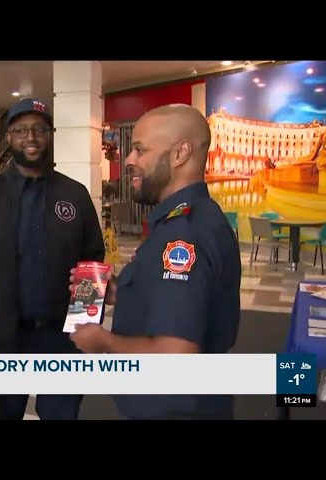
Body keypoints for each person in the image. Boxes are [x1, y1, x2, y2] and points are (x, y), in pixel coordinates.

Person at [69, 104, 242, 420]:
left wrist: (104, 342)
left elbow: (176, 354)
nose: (129, 160)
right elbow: (176, 297)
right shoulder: (186, 218)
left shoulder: (183, 235)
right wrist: (119, 293)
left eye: (139, 150)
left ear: (180, 154)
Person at [0, 97, 105, 420]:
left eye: (39, 129)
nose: (31, 138)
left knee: (62, 414)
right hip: (1, 338)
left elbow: (92, 260)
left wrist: (85, 326)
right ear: (9, 138)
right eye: (21, 130)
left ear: (50, 135)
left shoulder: (74, 195)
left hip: (61, 337)